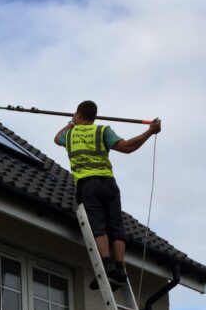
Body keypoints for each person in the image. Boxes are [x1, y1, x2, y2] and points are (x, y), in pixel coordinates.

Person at [55, 100, 161, 289]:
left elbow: (56, 138)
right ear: (94, 116)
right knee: (116, 225)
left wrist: (70, 123)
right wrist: (150, 132)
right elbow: (128, 147)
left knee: (98, 225)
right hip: (109, 184)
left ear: (78, 114)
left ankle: (106, 264)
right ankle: (119, 266)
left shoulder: (70, 134)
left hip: (88, 185)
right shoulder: (103, 131)